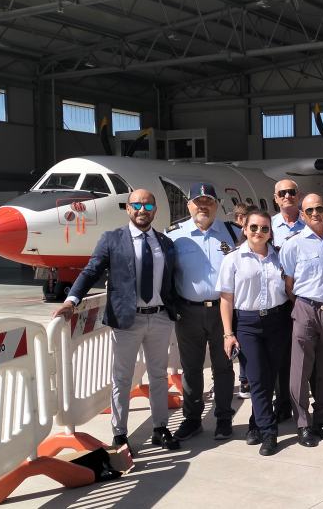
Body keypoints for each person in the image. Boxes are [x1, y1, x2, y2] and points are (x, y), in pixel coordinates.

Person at [53, 189, 180, 454]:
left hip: (159, 318)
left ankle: (160, 428)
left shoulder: (166, 243)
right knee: (122, 378)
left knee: (158, 376)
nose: (142, 211)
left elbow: (173, 280)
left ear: (154, 211)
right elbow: (91, 270)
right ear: (128, 209)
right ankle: (120, 434)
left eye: (147, 206)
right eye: (137, 205)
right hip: (127, 320)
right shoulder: (112, 239)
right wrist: (71, 300)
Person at [167, 183, 241, 442]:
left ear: (217, 204)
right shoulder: (175, 236)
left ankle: (223, 418)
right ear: (189, 205)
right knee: (191, 369)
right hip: (188, 312)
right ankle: (192, 419)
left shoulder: (232, 233)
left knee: (223, 367)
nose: (203, 206)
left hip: (223, 312)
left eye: (208, 201)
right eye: (198, 202)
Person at [219, 211, 290, 456]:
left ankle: (255, 423)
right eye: (254, 228)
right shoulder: (233, 259)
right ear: (245, 229)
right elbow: (226, 299)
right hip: (248, 324)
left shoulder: (280, 258)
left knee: (269, 378)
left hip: (277, 321)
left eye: (264, 229)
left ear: (271, 232)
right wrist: (228, 334)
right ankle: (269, 433)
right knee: (257, 379)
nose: (259, 233)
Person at [279, 194, 323, 447]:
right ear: (303, 214)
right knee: (300, 370)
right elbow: (288, 284)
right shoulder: (293, 245)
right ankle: (303, 423)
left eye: (319, 208)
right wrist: (301, 307)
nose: (315, 213)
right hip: (306, 308)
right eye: (309, 210)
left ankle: (322, 419)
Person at [269, 179, 304, 422]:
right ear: (276, 197)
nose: (287, 196)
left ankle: (308, 404)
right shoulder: (268, 226)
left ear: (298, 195)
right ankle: (282, 403)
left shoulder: (311, 221)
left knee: (307, 355)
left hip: (304, 299)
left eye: (291, 192)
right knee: (281, 356)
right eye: (282, 193)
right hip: (279, 300)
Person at [231, 201, 259, 397]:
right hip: (239, 299)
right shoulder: (230, 236)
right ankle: (244, 380)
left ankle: (246, 379)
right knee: (241, 342)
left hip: (252, 297)